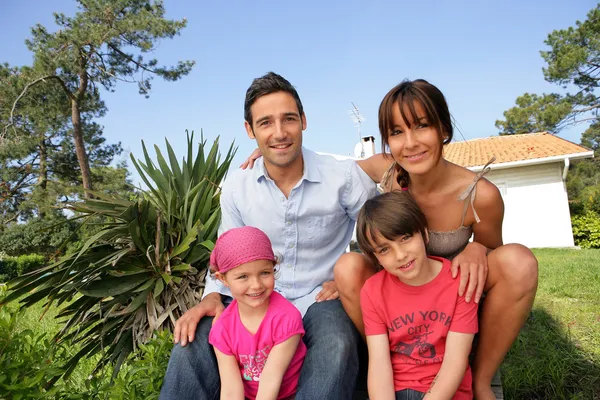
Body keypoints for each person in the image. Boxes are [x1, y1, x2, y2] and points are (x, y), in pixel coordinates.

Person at [242, 79, 539, 400]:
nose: (410, 143)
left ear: (443, 129)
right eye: (397, 132)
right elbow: (325, 170)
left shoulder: (480, 195)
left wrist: (477, 248)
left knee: (519, 262)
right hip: (399, 294)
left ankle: (480, 379)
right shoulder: (389, 172)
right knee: (348, 266)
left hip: (450, 293)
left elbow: (495, 248)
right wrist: (276, 149)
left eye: (422, 126)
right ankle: (388, 361)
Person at [159, 72, 378, 400]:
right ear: (250, 130)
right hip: (251, 294)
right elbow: (227, 252)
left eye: (288, 119)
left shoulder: (343, 176)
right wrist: (210, 297)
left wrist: (352, 274)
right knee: (191, 342)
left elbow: (384, 233)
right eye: (265, 123)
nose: (279, 133)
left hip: (320, 297)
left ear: (303, 121)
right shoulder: (237, 186)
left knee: (338, 345)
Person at [357, 191, 478, 400]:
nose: (400, 255)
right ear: (375, 257)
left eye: (405, 238)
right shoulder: (372, 291)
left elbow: (454, 363)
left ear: (424, 233)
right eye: (385, 249)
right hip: (396, 390)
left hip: (446, 392)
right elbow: (378, 363)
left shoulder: (458, 281)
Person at [208, 226, 306, 400]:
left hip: (293, 394)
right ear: (223, 279)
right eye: (243, 277)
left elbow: (271, 378)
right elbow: (231, 388)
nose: (256, 285)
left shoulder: (287, 318)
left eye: (264, 273)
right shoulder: (222, 329)